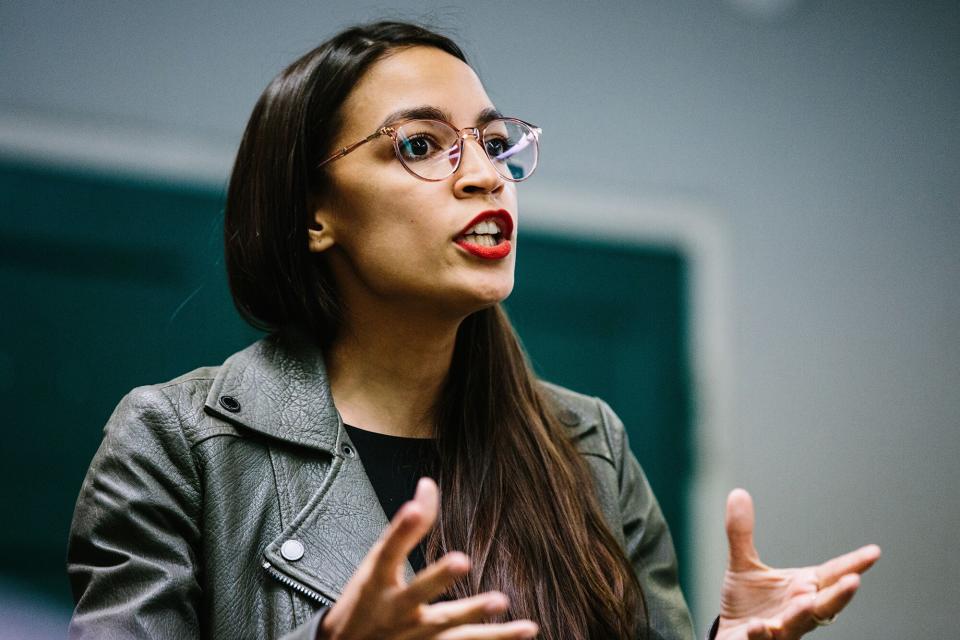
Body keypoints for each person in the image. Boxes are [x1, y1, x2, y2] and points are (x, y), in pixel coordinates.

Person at [66, 21, 880, 640]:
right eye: (422, 145)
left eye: (493, 143)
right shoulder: (177, 443)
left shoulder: (590, 445)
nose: (487, 175)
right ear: (313, 214)